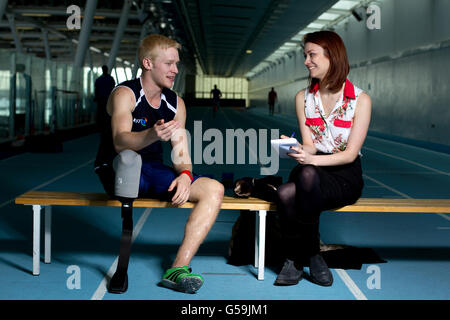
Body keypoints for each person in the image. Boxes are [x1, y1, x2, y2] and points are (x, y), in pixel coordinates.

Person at [94, 34, 224, 294]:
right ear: (148, 63)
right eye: (169, 64)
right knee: (130, 160)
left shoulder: (176, 104)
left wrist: (186, 174)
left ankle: (178, 268)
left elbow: (180, 152)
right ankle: (122, 266)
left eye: (176, 63)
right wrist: (152, 134)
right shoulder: (124, 93)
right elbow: (120, 142)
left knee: (214, 189)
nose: (175, 70)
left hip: (152, 170)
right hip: (117, 168)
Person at [274, 31, 371, 287]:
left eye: (312, 54)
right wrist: (298, 149)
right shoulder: (302, 98)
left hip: (344, 174)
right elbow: (310, 146)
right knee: (292, 186)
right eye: (305, 55)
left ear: (332, 56)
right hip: (312, 171)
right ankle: (312, 254)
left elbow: (349, 154)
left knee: (287, 191)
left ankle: (296, 257)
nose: (306, 61)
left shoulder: (360, 101)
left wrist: (311, 161)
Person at [94, 65, 115, 131]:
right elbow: (113, 88)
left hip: (101, 99)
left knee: (101, 113)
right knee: (107, 113)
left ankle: (100, 126)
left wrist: (96, 97)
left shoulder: (99, 79)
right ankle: (107, 126)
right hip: (107, 99)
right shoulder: (110, 79)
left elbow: (96, 89)